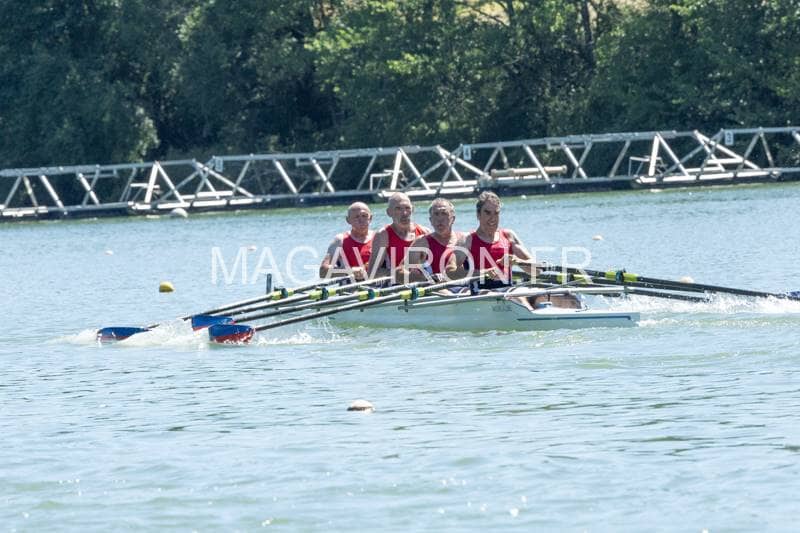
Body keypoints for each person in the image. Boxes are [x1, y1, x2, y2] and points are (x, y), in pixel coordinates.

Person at [454, 191, 580, 308]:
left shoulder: (508, 236)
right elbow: (451, 272)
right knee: (519, 299)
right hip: (482, 293)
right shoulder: (467, 240)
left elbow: (536, 271)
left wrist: (517, 261)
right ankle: (533, 316)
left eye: (496, 213)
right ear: (478, 215)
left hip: (509, 291)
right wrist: (483, 272)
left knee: (568, 298)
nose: (492, 218)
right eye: (487, 213)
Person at [367, 192, 430, 280]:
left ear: (413, 209)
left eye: (407, 208)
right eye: (398, 209)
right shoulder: (383, 235)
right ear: (389, 212)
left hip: (422, 282)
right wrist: (402, 274)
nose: (404, 213)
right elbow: (372, 273)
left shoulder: (425, 232)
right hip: (395, 284)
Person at [405, 198, 459, 281]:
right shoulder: (421, 243)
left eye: (444, 213)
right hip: (435, 287)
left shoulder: (463, 240)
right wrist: (422, 279)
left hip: (462, 286)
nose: (440, 219)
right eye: (436, 214)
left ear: (453, 219)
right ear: (431, 220)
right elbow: (400, 271)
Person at [319, 202, 374, 280]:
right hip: (351, 286)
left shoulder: (379, 237)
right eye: (356, 217)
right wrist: (350, 271)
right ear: (348, 220)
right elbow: (323, 271)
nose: (361, 220)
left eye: (364, 216)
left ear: (370, 218)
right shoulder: (340, 240)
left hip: (377, 285)